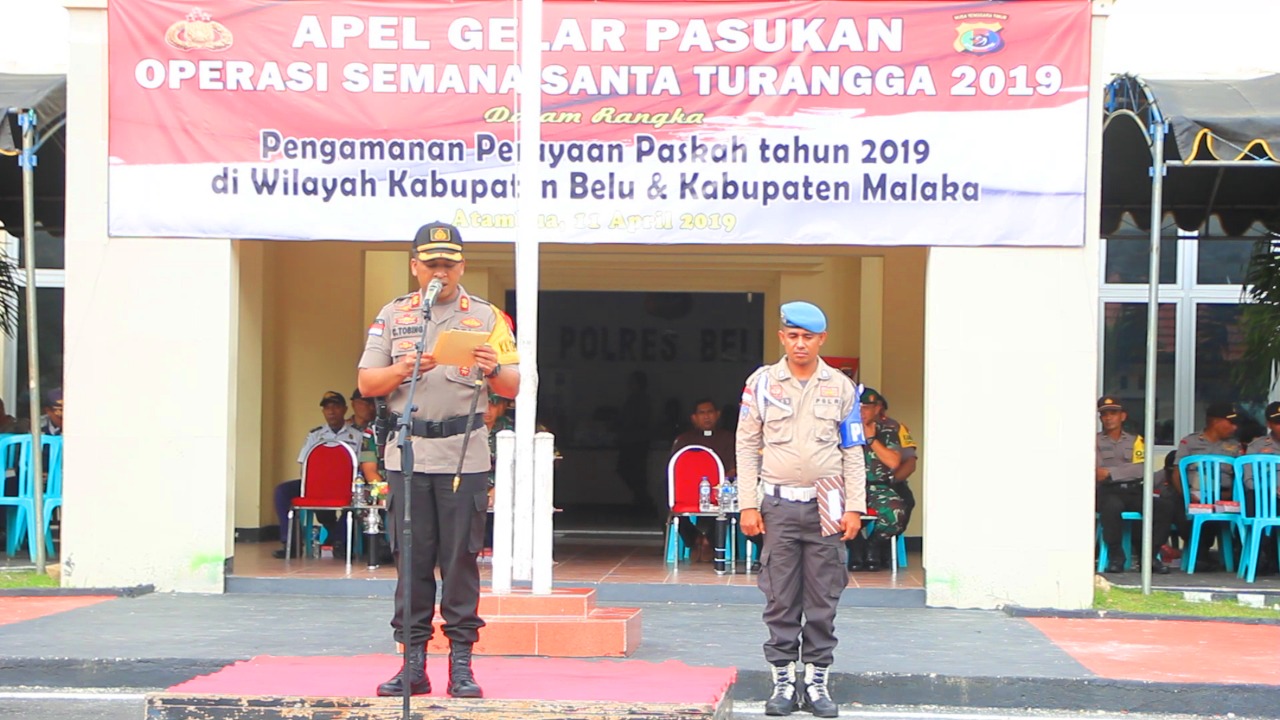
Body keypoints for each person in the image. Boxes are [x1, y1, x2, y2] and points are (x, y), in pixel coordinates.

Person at [358, 221, 519, 699]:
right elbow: (368, 384)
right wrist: (402, 368)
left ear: (462, 267)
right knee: (412, 560)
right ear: (415, 267)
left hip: (463, 456)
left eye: (449, 264)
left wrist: (494, 371)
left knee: (460, 561)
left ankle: (462, 666)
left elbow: (512, 385)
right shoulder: (394, 315)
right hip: (408, 455)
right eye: (431, 264)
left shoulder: (488, 316)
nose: (440, 272)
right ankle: (412, 666)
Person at [736, 300, 866, 718]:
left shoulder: (841, 386)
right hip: (777, 501)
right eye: (792, 336)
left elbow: (852, 450)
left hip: (827, 501)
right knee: (779, 595)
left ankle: (816, 681)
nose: (800, 344)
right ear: (781, 338)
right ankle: (782, 680)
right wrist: (748, 504)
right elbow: (746, 445)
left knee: (824, 594)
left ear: (821, 340)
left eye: (808, 337)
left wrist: (856, 507)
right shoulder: (761, 383)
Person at [271, 391, 364, 559]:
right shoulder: (315, 435)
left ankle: (339, 540)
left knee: (356, 498)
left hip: (346, 487)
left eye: (335, 407)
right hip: (317, 486)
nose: (331, 411)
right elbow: (304, 464)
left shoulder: (357, 436)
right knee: (282, 491)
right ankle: (290, 543)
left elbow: (361, 466)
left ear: (344, 409)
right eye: (327, 408)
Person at [1095, 396, 1172, 574]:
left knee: (1163, 507)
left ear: (1123, 416)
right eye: (1104, 414)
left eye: (1113, 413)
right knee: (1111, 508)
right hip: (1108, 491)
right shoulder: (1094, 441)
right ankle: (1116, 557)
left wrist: (1112, 472)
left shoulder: (1136, 440)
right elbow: (1097, 472)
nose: (1108, 418)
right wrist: (1124, 470)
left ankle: (1149, 557)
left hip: (1133, 490)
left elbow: (1141, 469)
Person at [1174, 402, 1243, 569]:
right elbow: (1177, 473)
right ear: (1215, 422)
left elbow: (1240, 477)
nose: (1235, 427)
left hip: (1225, 498)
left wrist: (1228, 497)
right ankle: (1198, 553)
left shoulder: (1235, 446)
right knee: (1175, 505)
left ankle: (1235, 555)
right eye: (1230, 422)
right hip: (1193, 496)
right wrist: (1186, 496)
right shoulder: (1189, 443)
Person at [671, 398, 737, 563]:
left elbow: (736, 467)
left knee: (724, 500)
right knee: (664, 496)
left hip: (719, 491)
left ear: (717, 415)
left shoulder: (730, 438)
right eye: (702, 413)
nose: (706, 417)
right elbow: (673, 471)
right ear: (694, 418)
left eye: (710, 412)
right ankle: (695, 539)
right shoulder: (683, 440)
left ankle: (709, 541)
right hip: (688, 493)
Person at [845, 387, 904, 572]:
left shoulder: (887, 429)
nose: (861, 412)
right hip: (845, 487)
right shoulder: (840, 428)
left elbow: (894, 462)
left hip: (877, 487)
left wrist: (871, 439)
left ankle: (873, 546)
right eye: (858, 407)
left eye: (866, 407)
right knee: (827, 509)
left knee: (897, 512)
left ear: (877, 409)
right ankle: (856, 547)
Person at [877, 394, 918, 530]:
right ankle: (857, 548)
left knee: (905, 502)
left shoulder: (896, 428)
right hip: (855, 485)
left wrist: (892, 481)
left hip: (890, 482)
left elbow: (910, 463)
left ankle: (883, 546)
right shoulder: (849, 427)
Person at [617, 370, 655, 515]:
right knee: (629, 472)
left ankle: (644, 501)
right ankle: (642, 500)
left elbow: (638, 421)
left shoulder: (641, 401)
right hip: (631, 440)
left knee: (635, 473)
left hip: (636, 442)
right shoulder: (633, 399)